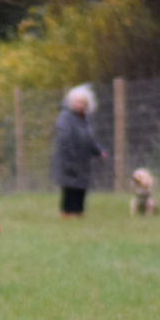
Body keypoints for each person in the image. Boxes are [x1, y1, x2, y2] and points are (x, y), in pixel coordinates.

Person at [50, 83, 106, 218]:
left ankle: (79, 212)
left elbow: (89, 137)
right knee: (70, 187)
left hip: (83, 159)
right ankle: (66, 213)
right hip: (69, 158)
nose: (79, 105)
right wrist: (71, 158)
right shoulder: (65, 117)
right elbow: (64, 139)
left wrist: (98, 151)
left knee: (81, 186)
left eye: (82, 102)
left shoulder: (85, 118)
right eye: (77, 102)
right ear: (70, 102)